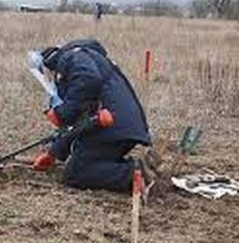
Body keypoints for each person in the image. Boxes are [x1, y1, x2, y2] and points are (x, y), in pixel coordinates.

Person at [30, 39, 154, 193]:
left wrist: (63, 113)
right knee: (89, 161)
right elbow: (79, 126)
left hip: (112, 126)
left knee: (76, 173)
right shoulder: (85, 65)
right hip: (118, 127)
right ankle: (134, 168)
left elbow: (88, 79)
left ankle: (131, 174)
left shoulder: (72, 57)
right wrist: (54, 152)